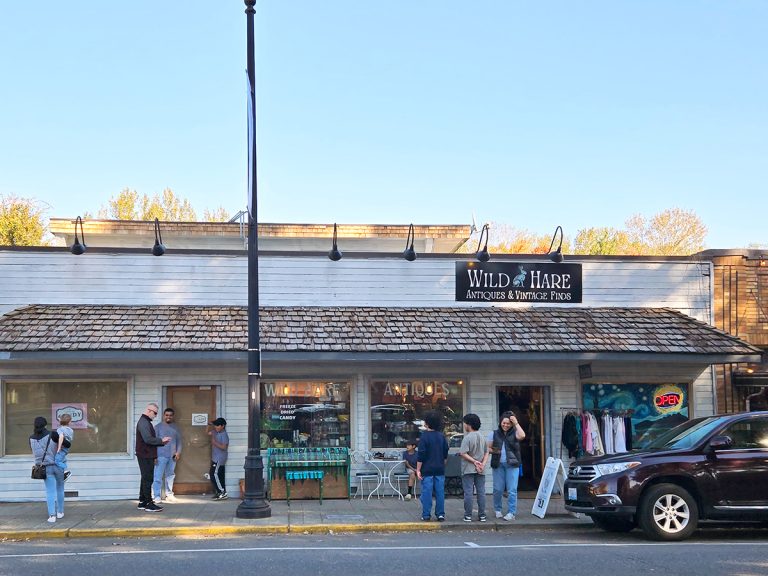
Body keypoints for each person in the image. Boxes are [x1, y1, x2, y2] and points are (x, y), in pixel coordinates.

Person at [487, 410, 525, 521]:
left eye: (508, 423)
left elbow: (522, 435)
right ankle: (497, 509)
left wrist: (516, 423)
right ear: (500, 422)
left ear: (511, 424)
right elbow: (488, 448)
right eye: (504, 423)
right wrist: (496, 450)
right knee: (497, 489)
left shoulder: (515, 432)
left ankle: (511, 513)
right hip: (498, 464)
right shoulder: (494, 433)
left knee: (512, 490)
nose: (506, 425)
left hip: (512, 464)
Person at [30, 416, 67, 523]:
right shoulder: (53, 434)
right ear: (46, 425)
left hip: (45, 468)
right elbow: (67, 444)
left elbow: (34, 452)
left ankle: (52, 516)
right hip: (58, 466)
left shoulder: (31, 438)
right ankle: (60, 512)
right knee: (60, 488)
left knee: (50, 491)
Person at [136, 403, 171, 512]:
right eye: (155, 413)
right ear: (149, 410)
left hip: (145, 454)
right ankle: (149, 504)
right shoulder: (144, 423)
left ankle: (142, 502)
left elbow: (149, 440)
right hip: (145, 454)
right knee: (148, 478)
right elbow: (148, 439)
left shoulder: (145, 422)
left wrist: (161, 443)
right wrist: (161, 440)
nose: (155, 416)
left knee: (145, 477)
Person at [416, 410, 449, 522]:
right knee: (440, 493)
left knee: (427, 493)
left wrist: (418, 469)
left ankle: (426, 514)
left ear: (427, 423)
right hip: (439, 468)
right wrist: (442, 464)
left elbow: (421, 455)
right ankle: (440, 514)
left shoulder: (424, 437)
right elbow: (445, 453)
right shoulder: (441, 436)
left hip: (427, 469)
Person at [459, 413, 488, 522]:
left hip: (468, 469)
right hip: (481, 469)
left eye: (464, 423)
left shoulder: (467, 438)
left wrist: (474, 461)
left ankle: (468, 515)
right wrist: (482, 464)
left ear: (468, 424)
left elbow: (463, 453)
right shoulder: (482, 437)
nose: (464, 425)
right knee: (481, 492)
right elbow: (486, 452)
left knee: (468, 492)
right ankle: (482, 515)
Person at [153, 407, 182, 503]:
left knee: (170, 476)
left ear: (173, 416)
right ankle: (156, 496)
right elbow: (153, 442)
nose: (168, 417)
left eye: (170, 415)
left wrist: (178, 452)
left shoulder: (176, 427)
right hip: (160, 456)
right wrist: (154, 456)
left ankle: (169, 495)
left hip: (172, 456)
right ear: (163, 416)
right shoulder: (157, 427)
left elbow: (179, 441)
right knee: (158, 477)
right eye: (166, 415)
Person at [208, 417, 229, 500]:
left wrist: (214, 443)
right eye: (215, 425)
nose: (216, 427)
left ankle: (221, 492)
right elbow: (207, 432)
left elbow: (224, 447)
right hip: (215, 457)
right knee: (220, 475)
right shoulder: (215, 431)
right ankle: (223, 492)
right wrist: (208, 425)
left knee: (213, 474)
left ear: (222, 426)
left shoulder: (224, 435)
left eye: (218, 425)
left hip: (219, 458)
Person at [54, 413, 73, 482]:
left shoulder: (60, 429)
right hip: (66, 449)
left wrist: (59, 448)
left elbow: (61, 437)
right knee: (63, 460)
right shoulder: (70, 430)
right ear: (69, 422)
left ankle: (66, 471)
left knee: (56, 461)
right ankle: (65, 472)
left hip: (61, 449)